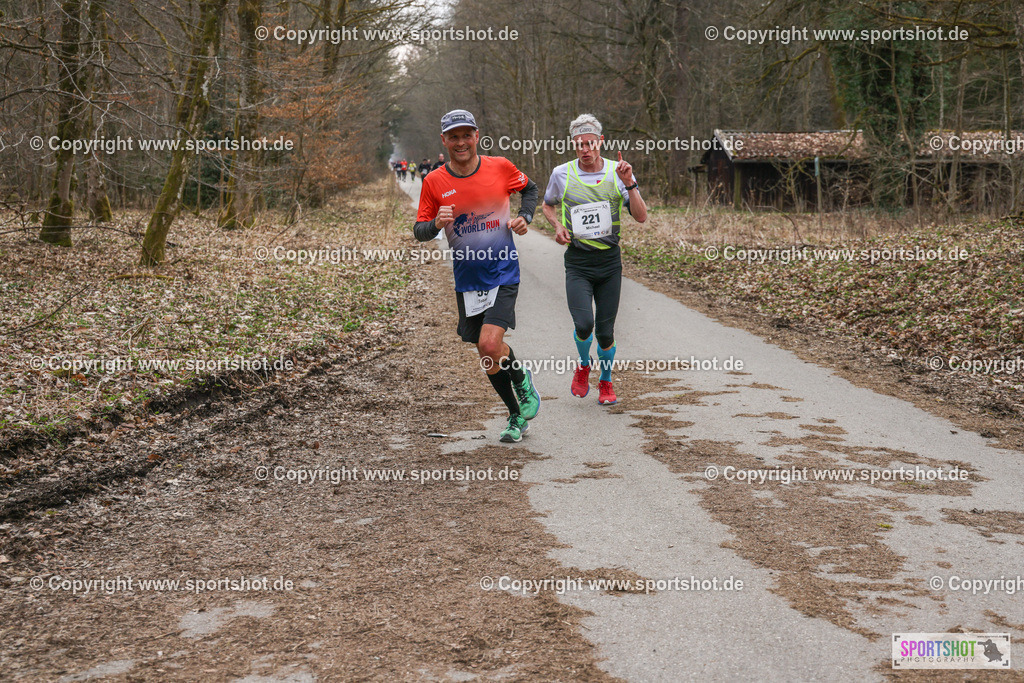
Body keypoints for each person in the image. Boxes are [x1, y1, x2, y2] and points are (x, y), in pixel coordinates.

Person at [413, 109, 541, 442]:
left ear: (476, 135)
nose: (461, 142)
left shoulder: (500, 167)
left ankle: (523, 386)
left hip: (502, 271)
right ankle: (516, 413)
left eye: (466, 135)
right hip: (468, 281)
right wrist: (436, 224)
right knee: (487, 352)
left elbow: (530, 189)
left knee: (489, 342)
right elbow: (420, 231)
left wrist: (525, 217)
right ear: (444, 140)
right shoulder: (434, 182)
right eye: (453, 136)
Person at [541, 114, 647, 405]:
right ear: (573, 145)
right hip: (578, 262)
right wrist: (558, 226)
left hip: (610, 262)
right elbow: (548, 205)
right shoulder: (561, 173)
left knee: (605, 332)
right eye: (579, 145)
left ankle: (606, 380)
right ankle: (583, 365)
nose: (585, 149)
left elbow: (640, 216)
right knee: (584, 323)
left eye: (590, 143)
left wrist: (631, 184)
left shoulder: (618, 172)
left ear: (600, 142)